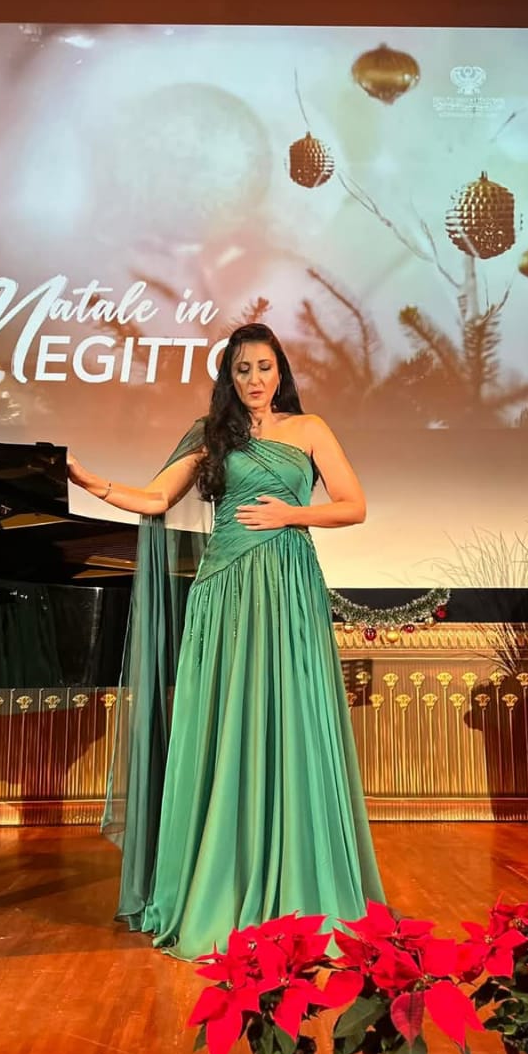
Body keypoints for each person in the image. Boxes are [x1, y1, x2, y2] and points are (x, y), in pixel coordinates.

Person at [67, 322, 384, 960]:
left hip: (289, 587)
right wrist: (86, 479)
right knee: (223, 721)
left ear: (280, 371)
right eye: (243, 369)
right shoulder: (212, 433)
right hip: (225, 591)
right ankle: (219, 882)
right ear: (229, 378)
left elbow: (353, 505)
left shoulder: (310, 428)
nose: (255, 379)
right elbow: (156, 497)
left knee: (291, 719)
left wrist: (291, 514)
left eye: (264, 367)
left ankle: (299, 885)